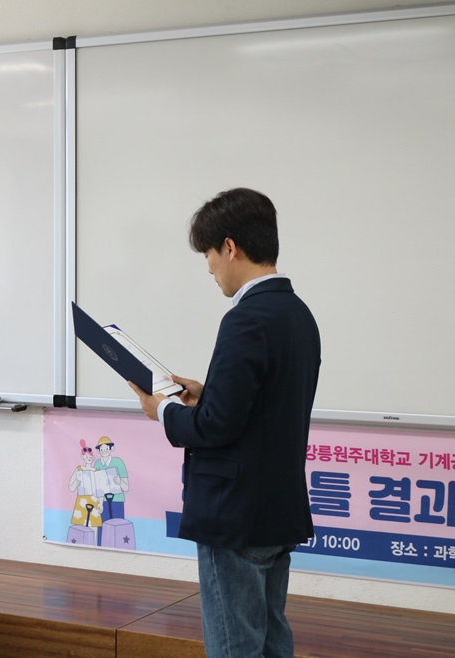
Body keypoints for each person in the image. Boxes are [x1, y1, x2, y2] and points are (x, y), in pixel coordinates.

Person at [128, 187, 320, 658]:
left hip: (235, 516)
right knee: (272, 640)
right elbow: (263, 408)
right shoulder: (298, 314)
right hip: (276, 510)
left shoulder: (245, 319)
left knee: (235, 648)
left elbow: (216, 428)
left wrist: (163, 410)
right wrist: (207, 394)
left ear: (230, 247)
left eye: (209, 255)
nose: (209, 268)